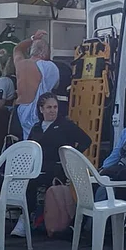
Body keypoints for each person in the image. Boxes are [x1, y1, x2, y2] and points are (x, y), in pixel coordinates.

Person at [13, 93, 90, 238]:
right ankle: (28, 217)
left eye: (55, 107)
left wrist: (69, 157)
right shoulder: (36, 127)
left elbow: (86, 140)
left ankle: (25, 220)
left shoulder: (66, 125)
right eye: (48, 107)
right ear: (41, 109)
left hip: (57, 168)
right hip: (38, 167)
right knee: (20, 179)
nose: (52, 110)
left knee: (30, 182)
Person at [13, 31, 59, 140]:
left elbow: (17, 49)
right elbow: (55, 86)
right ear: (45, 53)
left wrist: (32, 38)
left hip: (19, 109)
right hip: (37, 111)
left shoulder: (20, 64)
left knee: (18, 143)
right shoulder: (49, 66)